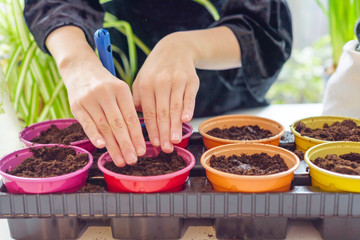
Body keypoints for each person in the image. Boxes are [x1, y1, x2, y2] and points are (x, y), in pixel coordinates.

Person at [24, 0, 292, 167]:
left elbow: (264, 27)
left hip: (226, 104)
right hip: (119, 71)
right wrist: (76, 62)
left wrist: (186, 45)